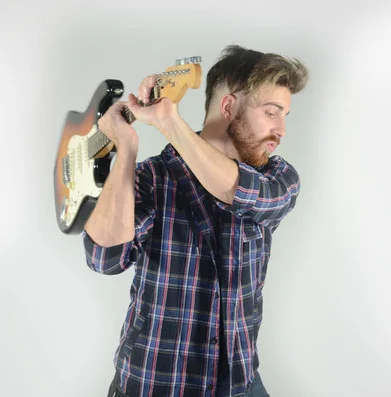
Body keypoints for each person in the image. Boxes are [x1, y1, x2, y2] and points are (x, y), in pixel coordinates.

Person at [83, 44, 309, 397]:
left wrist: (170, 124)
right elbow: (104, 258)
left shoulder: (278, 179)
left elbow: (236, 188)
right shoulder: (154, 178)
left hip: (239, 383)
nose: (280, 130)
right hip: (156, 382)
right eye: (271, 113)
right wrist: (125, 149)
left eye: (284, 116)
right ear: (229, 107)